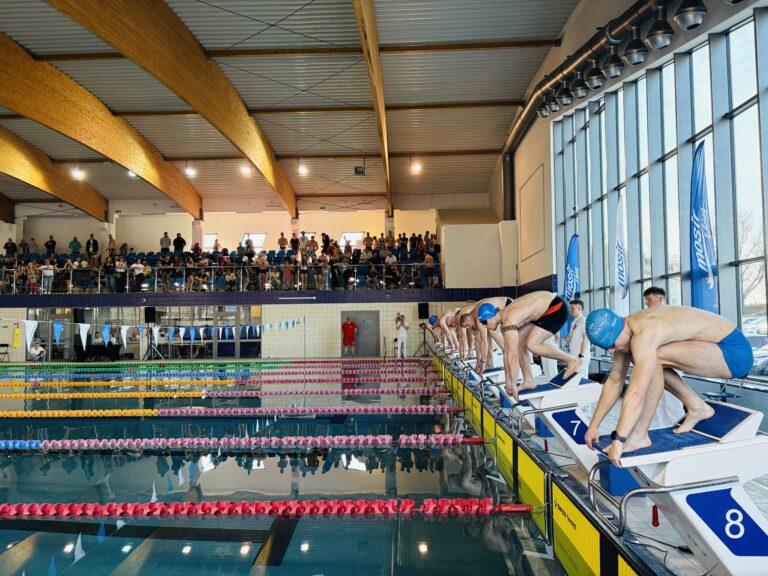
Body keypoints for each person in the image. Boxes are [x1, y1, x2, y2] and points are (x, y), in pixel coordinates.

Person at [584, 306, 753, 466]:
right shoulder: (628, 328)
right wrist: (593, 426)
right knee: (648, 356)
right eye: (607, 348)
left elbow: (636, 393)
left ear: (619, 330)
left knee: (653, 356)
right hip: (716, 346)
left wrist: (619, 439)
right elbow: (614, 381)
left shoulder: (645, 334)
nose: (612, 351)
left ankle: (639, 436)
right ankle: (697, 407)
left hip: (734, 352)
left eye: (612, 345)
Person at [477, 291, 581, 400]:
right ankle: (528, 381)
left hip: (557, 307)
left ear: (489, 317)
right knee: (519, 344)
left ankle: (572, 360)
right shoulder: (505, 319)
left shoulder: (509, 321)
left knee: (532, 344)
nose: (485, 327)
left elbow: (513, 357)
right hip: (544, 310)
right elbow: (507, 353)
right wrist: (508, 382)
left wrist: (513, 384)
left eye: (484, 323)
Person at [566, 299, 590, 378]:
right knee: (575, 379)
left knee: (582, 379)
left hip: (581, 355)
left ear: (579, 309)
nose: (571, 310)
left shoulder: (584, 320)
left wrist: (581, 356)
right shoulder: (573, 322)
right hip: (574, 355)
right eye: (570, 308)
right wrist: (569, 338)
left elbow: (585, 339)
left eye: (572, 308)